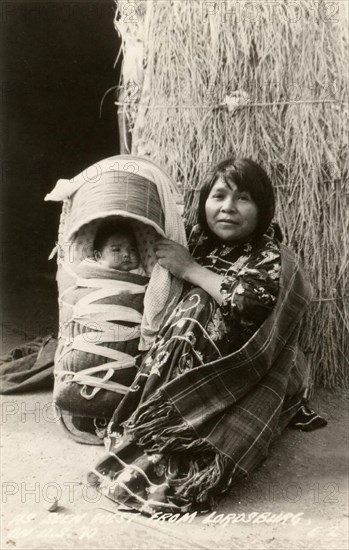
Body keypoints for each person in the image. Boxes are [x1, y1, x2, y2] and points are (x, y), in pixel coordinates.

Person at [89, 158, 319, 515]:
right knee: (191, 305)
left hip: (240, 374)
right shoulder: (192, 239)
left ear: (262, 209)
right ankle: (157, 419)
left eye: (243, 199)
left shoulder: (271, 256)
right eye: (219, 195)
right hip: (180, 366)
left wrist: (192, 270)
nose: (227, 208)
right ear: (204, 202)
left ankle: (177, 430)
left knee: (197, 305)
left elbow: (247, 305)